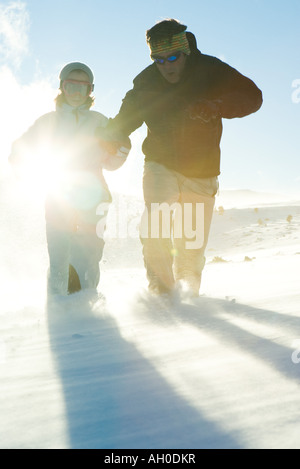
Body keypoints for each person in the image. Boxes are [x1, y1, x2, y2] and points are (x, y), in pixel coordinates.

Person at [97, 19, 263, 297]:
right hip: (160, 164)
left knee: (191, 245)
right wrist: (109, 136)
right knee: (156, 224)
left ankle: (188, 297)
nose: (167, 66)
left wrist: (216, 106)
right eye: (159, 60)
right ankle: (162, 292)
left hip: (202, 170)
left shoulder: (210, 70)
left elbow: (252, 96)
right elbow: (125, 120)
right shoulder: (146, 81)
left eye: (173, 57)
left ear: (184, 51)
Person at [9, 62, 130, 297]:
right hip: (58, 191)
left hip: (94, 191)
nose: (76, 93)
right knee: (59, 246)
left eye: (82, 88)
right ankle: (58, 297)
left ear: (90, 91)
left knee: (90, 246)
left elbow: (112, 162)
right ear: (62, 88)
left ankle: (85, 295)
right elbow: (21, 151)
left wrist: (121, 148)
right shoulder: (47, 121)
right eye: (70, 86)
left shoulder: (99, 121)